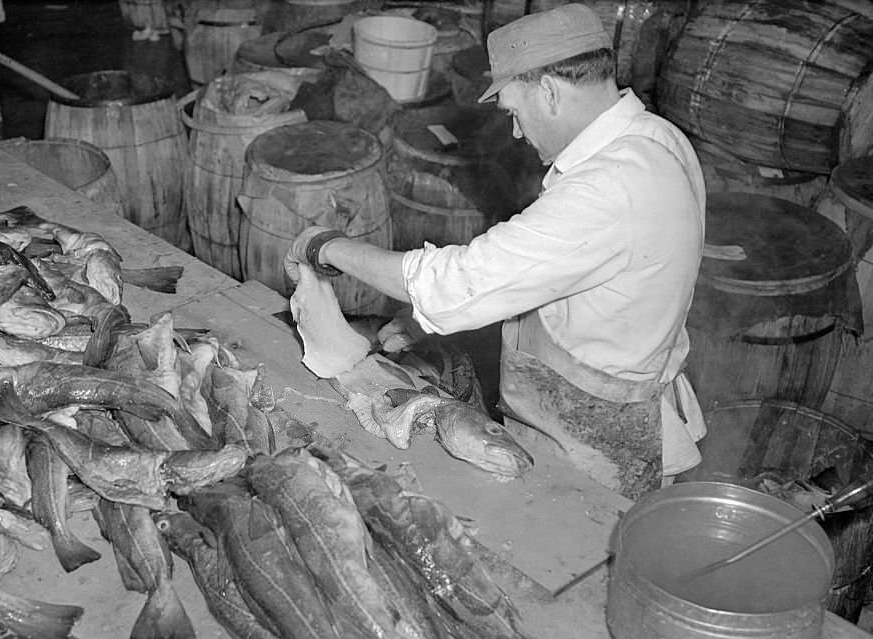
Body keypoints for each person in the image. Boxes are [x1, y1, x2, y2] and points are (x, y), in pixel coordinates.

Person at [283, 3, 707, 501]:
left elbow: (456, 280)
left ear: (548, 90)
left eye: (514, 110)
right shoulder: (656, 138)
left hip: (592, 441)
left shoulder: (610, 188)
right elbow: (556, 276)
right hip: (597, 403)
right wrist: (424, 321)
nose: (516, 130)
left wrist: (328, 245)